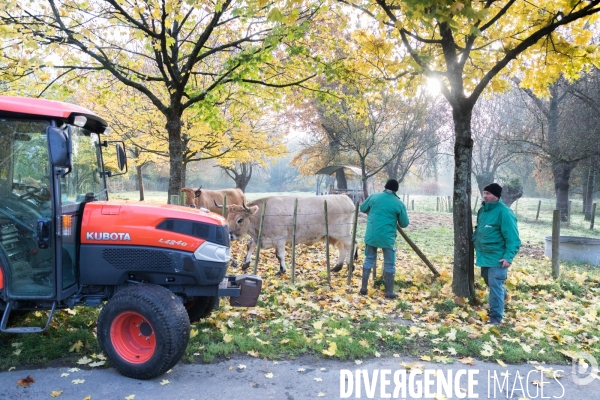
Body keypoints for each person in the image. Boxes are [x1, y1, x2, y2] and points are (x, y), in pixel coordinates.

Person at [473, 183, 521, 326]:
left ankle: (495, 318)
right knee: (488, 280)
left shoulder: (505, 213)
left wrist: (508, 256)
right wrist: (473, 238)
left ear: (496, 195)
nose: (485, 196)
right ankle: (502, 295)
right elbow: (479, 229)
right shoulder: (483, 211)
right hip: (484, 255)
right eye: (484, 193)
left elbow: (513, 238)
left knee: (494, 285)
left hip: (498, 257)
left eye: (488, 193)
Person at [359, 179, 409, 298]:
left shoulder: (374, 197)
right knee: (389, 264)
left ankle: (363, 288)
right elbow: (404, 223)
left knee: (369, 259)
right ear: (396, 190)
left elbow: (362, 208)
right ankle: (389, 292)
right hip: (387, 238)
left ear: (385, 186)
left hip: (371, 235)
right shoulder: (398, 203)